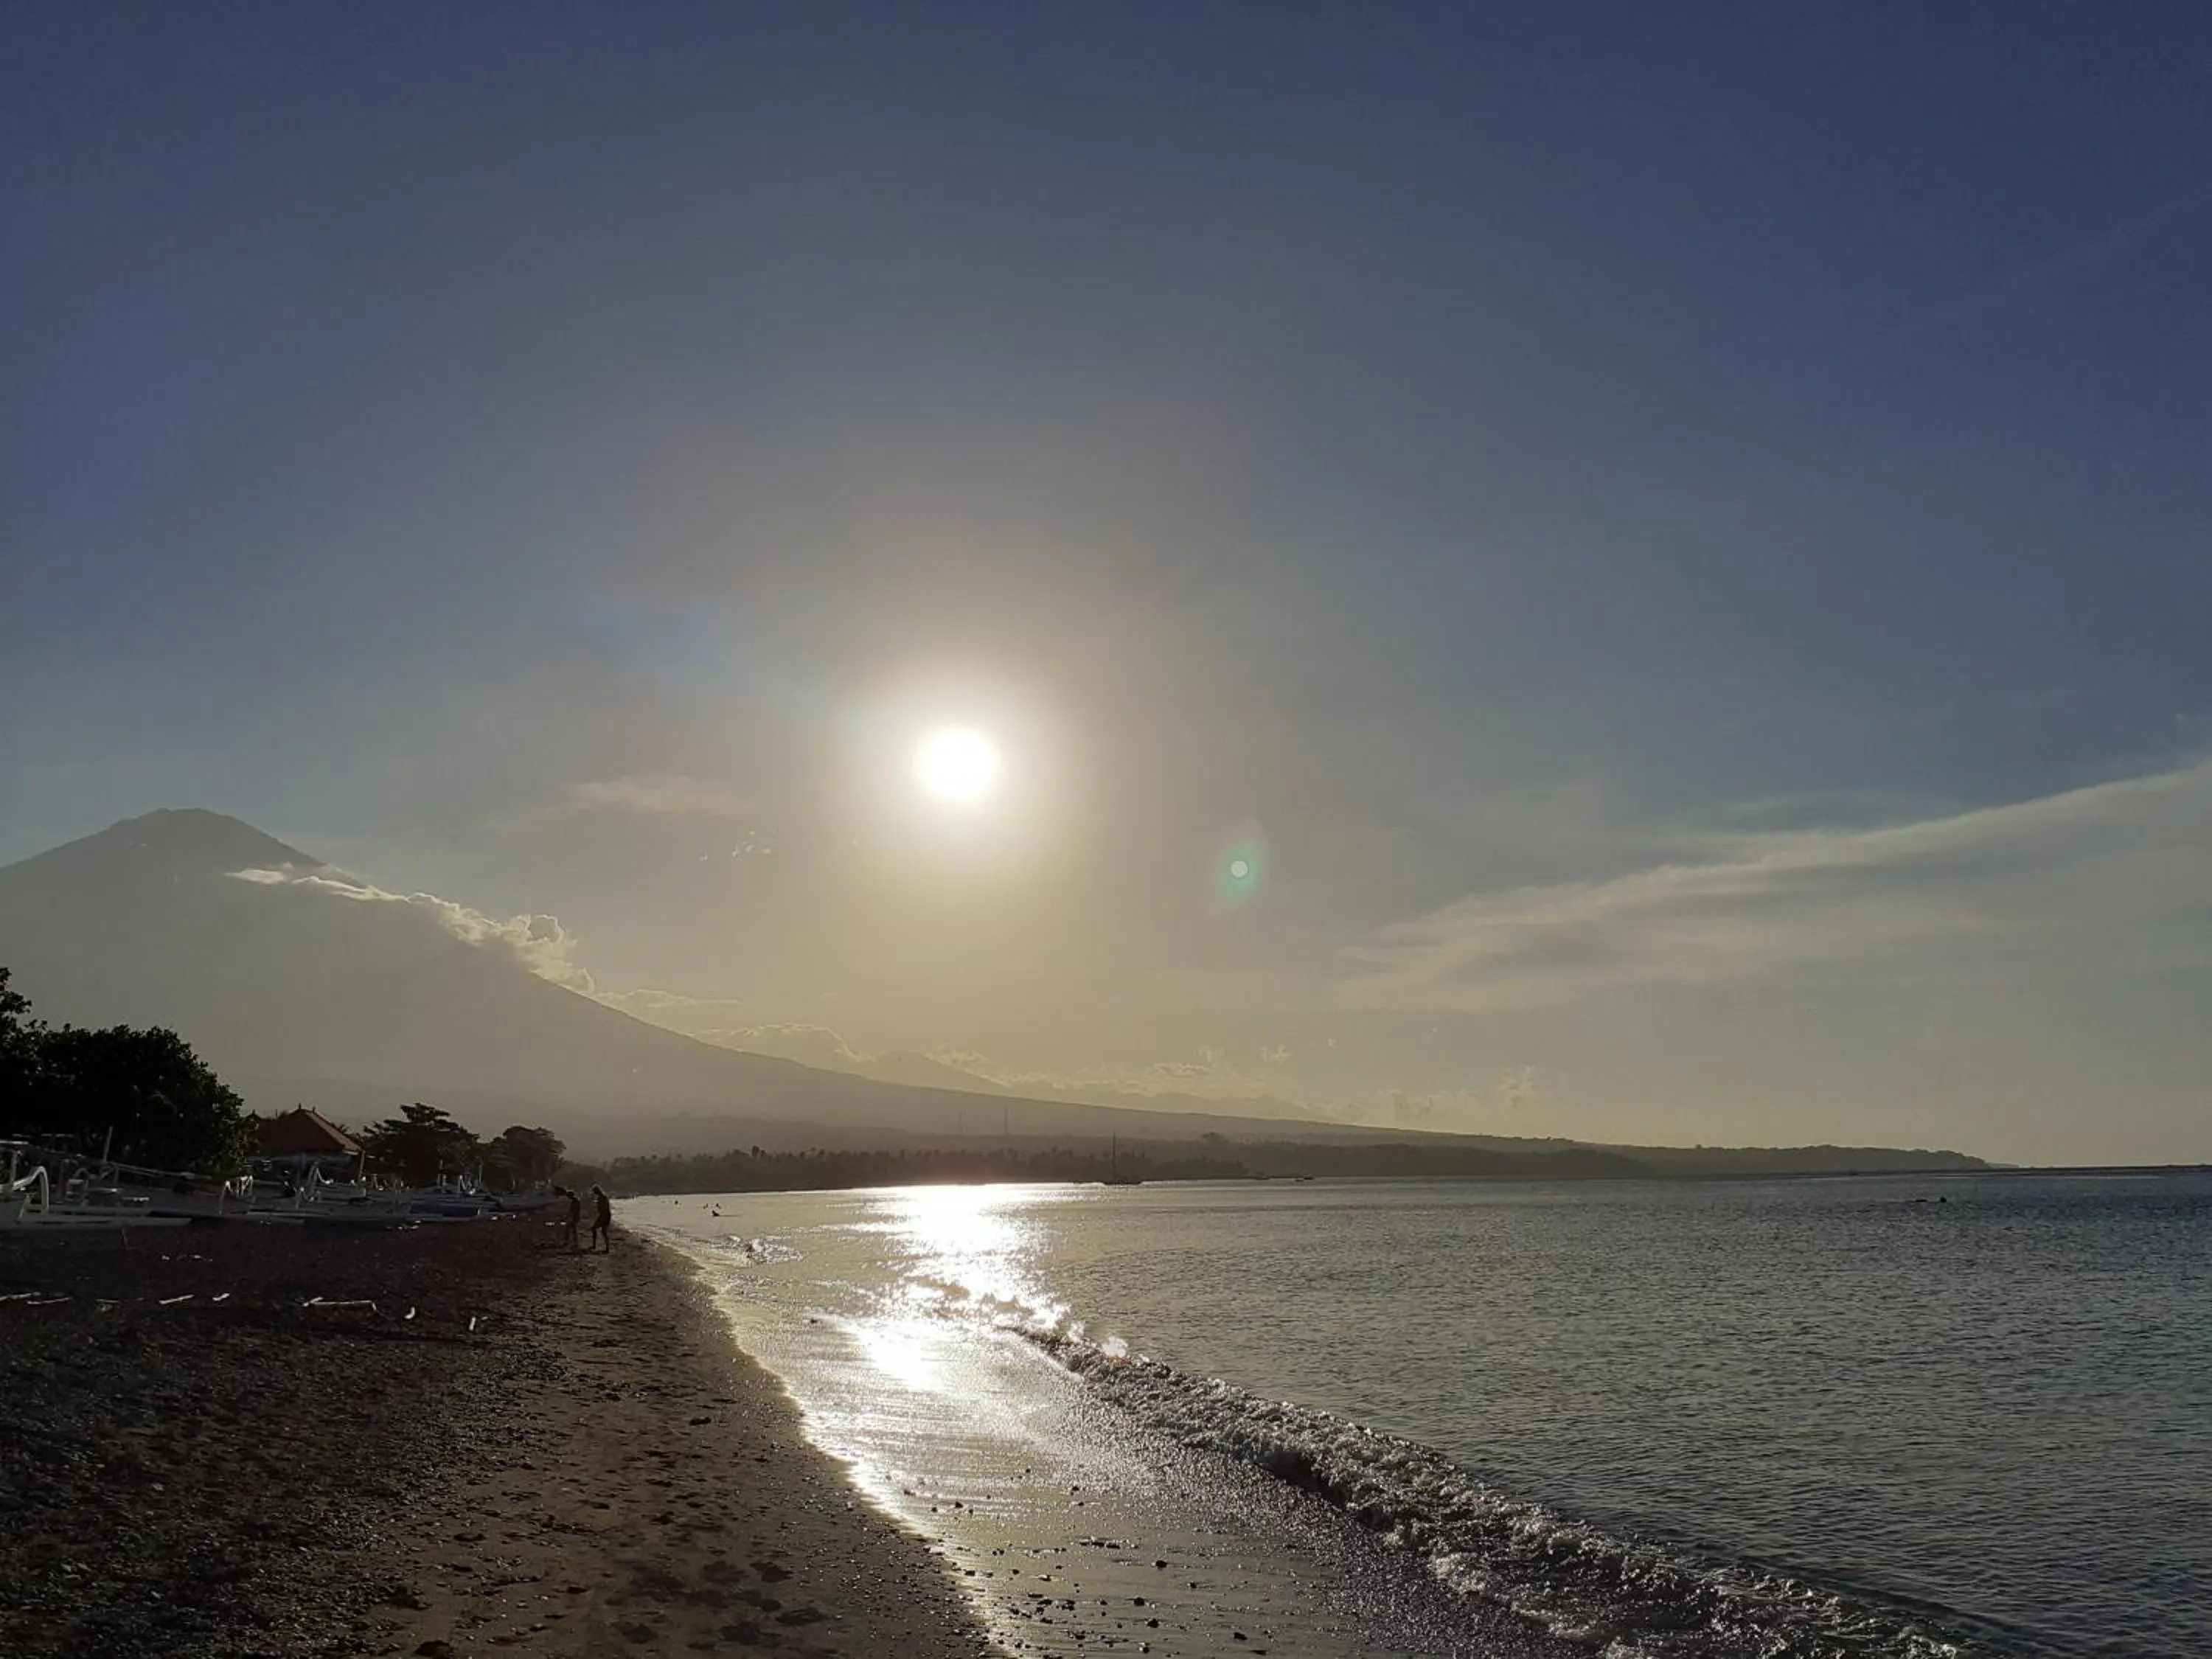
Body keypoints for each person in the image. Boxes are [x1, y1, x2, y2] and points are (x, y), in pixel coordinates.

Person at [556, 1184, 582, 1252]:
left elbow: (573, 1211)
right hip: (575, 1217)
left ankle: (568, 1242)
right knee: (573, 1231)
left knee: (569, 1230)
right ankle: (574, 1243)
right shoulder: (575, 1201)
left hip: (574, 1218)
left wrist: (568, 1217)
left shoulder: (575, 1202)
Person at [589, 1183, 613, 1253]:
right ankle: (604, 1247)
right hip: (605, 1215)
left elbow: (604, 1208)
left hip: (604, 1216)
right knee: (602, 1231)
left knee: (602, 1231)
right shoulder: (602, 1197)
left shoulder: (601, 1198)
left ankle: (599, 1246)